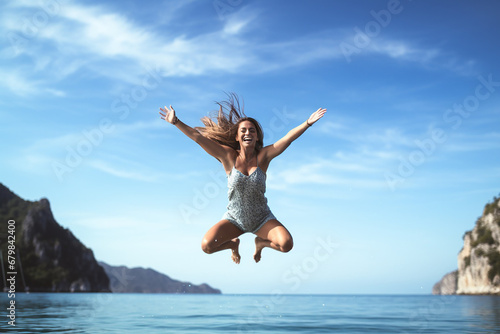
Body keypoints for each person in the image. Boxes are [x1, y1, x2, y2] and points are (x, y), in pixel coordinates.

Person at [159, 94, 326, 263]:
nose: (248, 132)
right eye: (243, 130)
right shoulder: (228, 156)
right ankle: (233, 244)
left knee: (286, 244)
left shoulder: (264, 157)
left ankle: (261, 243)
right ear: (237, 137)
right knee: (207, 246)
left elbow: (287, 138)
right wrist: (176, 121)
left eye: (252, 130)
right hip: (234, 219)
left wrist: (308, 123)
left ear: (257, 137)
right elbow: (198, 137)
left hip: (262, 219)